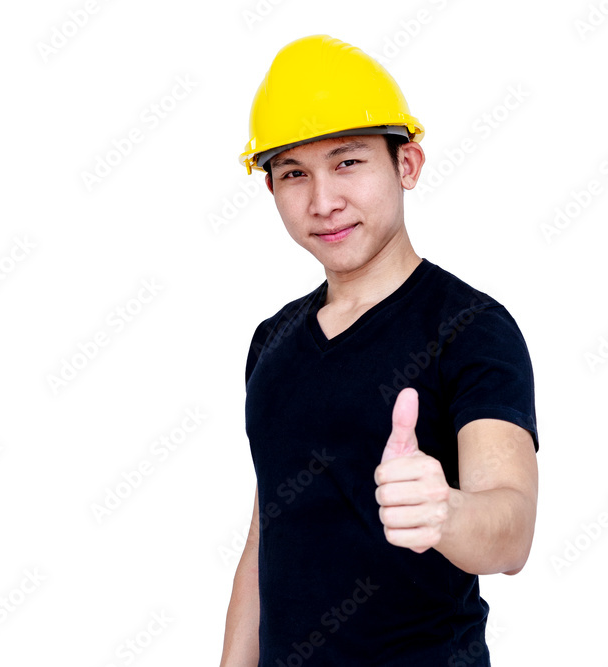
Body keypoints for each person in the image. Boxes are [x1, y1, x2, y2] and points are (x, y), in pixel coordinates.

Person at [219, 35, 540, 666]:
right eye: (293, 173)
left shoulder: (472, 327)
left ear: (408, 165)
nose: (322, 201)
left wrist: (444, 511)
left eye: (347, 163)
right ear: (272, 190)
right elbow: (266, 537)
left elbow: (512, 528)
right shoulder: (272, 341)